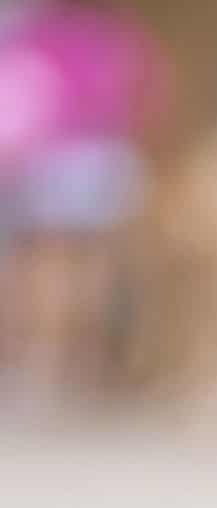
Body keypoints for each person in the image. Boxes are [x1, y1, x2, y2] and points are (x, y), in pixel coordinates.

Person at [0, 0, 157, 408]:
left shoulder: (40, 31)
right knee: (91, 266)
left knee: (47, 264)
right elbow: (148, 96)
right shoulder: (121, 35)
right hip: (105, 157)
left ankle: (43, 359)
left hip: (54, 159)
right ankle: (79, 361)